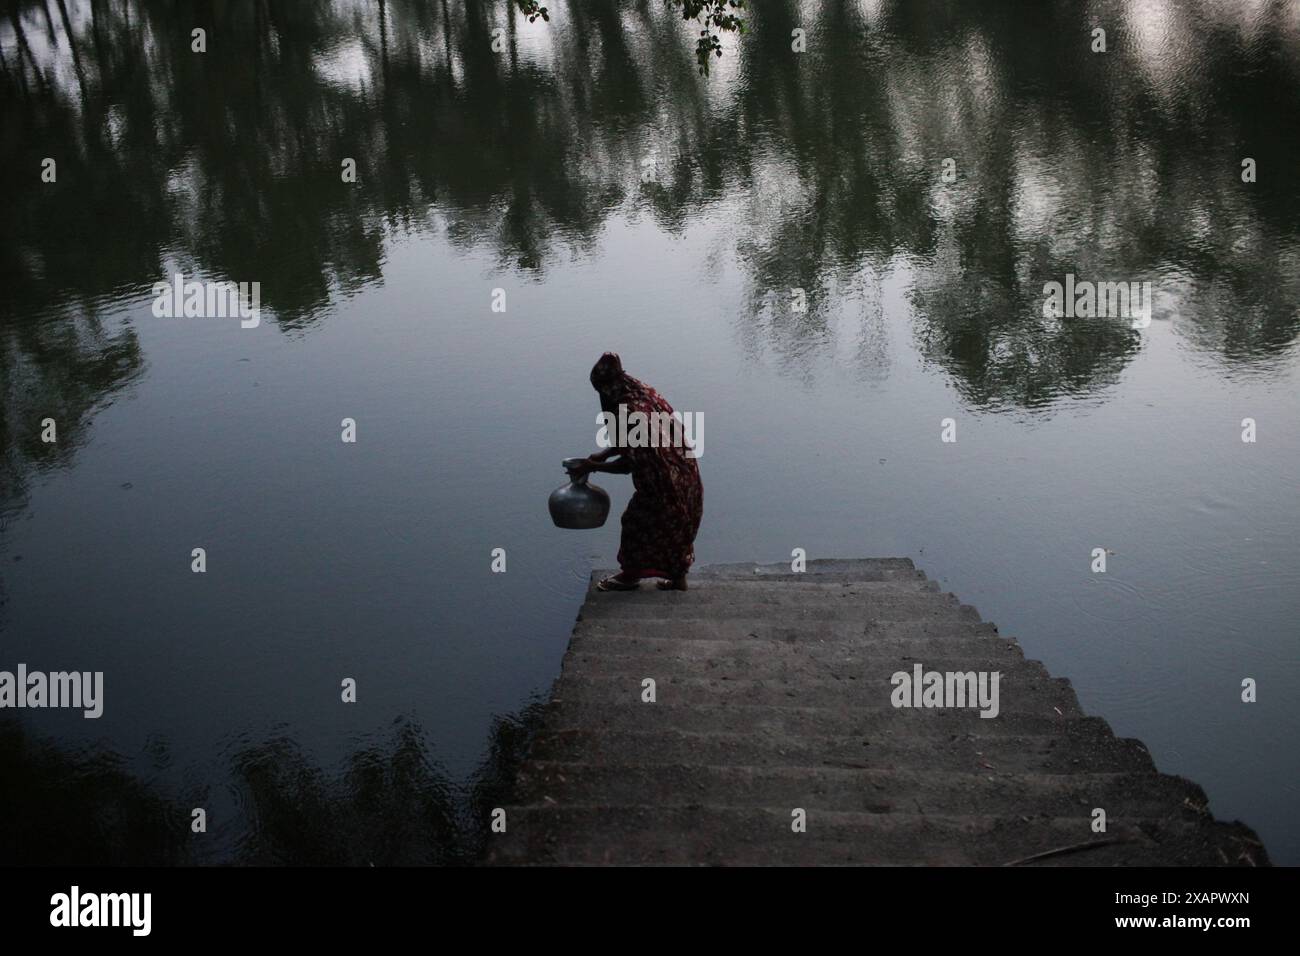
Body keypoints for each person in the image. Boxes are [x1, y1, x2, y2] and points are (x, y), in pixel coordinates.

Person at [570, 353, 703, 591]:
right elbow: (633, 441)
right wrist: (604, 454)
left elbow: (630, 464)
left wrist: (593, 467)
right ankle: (677, 578)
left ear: (607, 387)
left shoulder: (629, 411)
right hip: (686, 473)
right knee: (677, 525)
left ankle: (629, 577)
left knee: (635, 523)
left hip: (664, 482)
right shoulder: (640, 391)